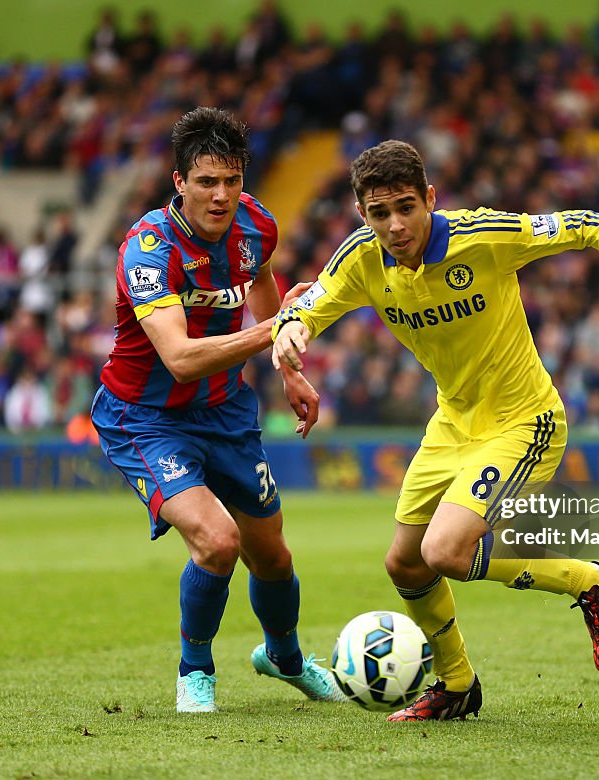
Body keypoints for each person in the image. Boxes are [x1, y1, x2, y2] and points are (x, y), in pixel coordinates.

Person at [272, 140, 599, 721]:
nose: (395, 225)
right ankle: (457, 684)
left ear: (430, 198)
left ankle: (591, 580)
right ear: (363, 214)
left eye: (406, 207)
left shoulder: (480, 236)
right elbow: (310, 303)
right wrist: (290, 330)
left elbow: (586, 224)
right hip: (452, 423)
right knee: (405, 564)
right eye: (379, 214)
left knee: (445, 551)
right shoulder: (361, 258)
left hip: (522, 421)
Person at [90, 106, 343, 713]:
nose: (221, 195)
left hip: (227, 410)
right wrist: (276, 330)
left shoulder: (257, 227)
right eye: (206, 181)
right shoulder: (147, 249)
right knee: (216, 540)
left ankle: (283, 658)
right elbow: (178, 358)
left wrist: (288, 366)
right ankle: (194, 670)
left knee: (273, 554)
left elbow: (262, 292)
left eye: (232, 181)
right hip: (145, 418)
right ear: (179, 182)